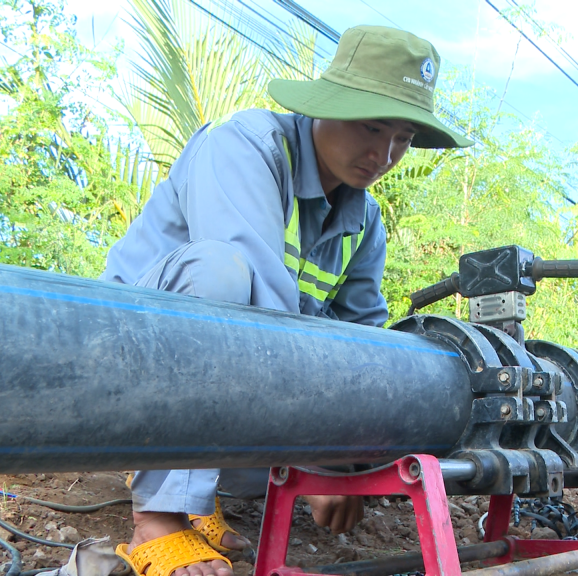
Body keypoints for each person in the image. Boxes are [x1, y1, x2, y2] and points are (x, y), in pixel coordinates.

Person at [100, 25, 472, 576]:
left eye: (402, 138)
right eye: (371, 126)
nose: (383, 154)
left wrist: (344, 466)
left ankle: (203, 494)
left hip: (231, 388)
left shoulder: (363, 220)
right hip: (124, 376)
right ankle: (158, 515)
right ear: (327, 106)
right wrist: (311, 455)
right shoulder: (245, 147)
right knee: (219, 272)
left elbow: (365, 345)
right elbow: (257, 325)